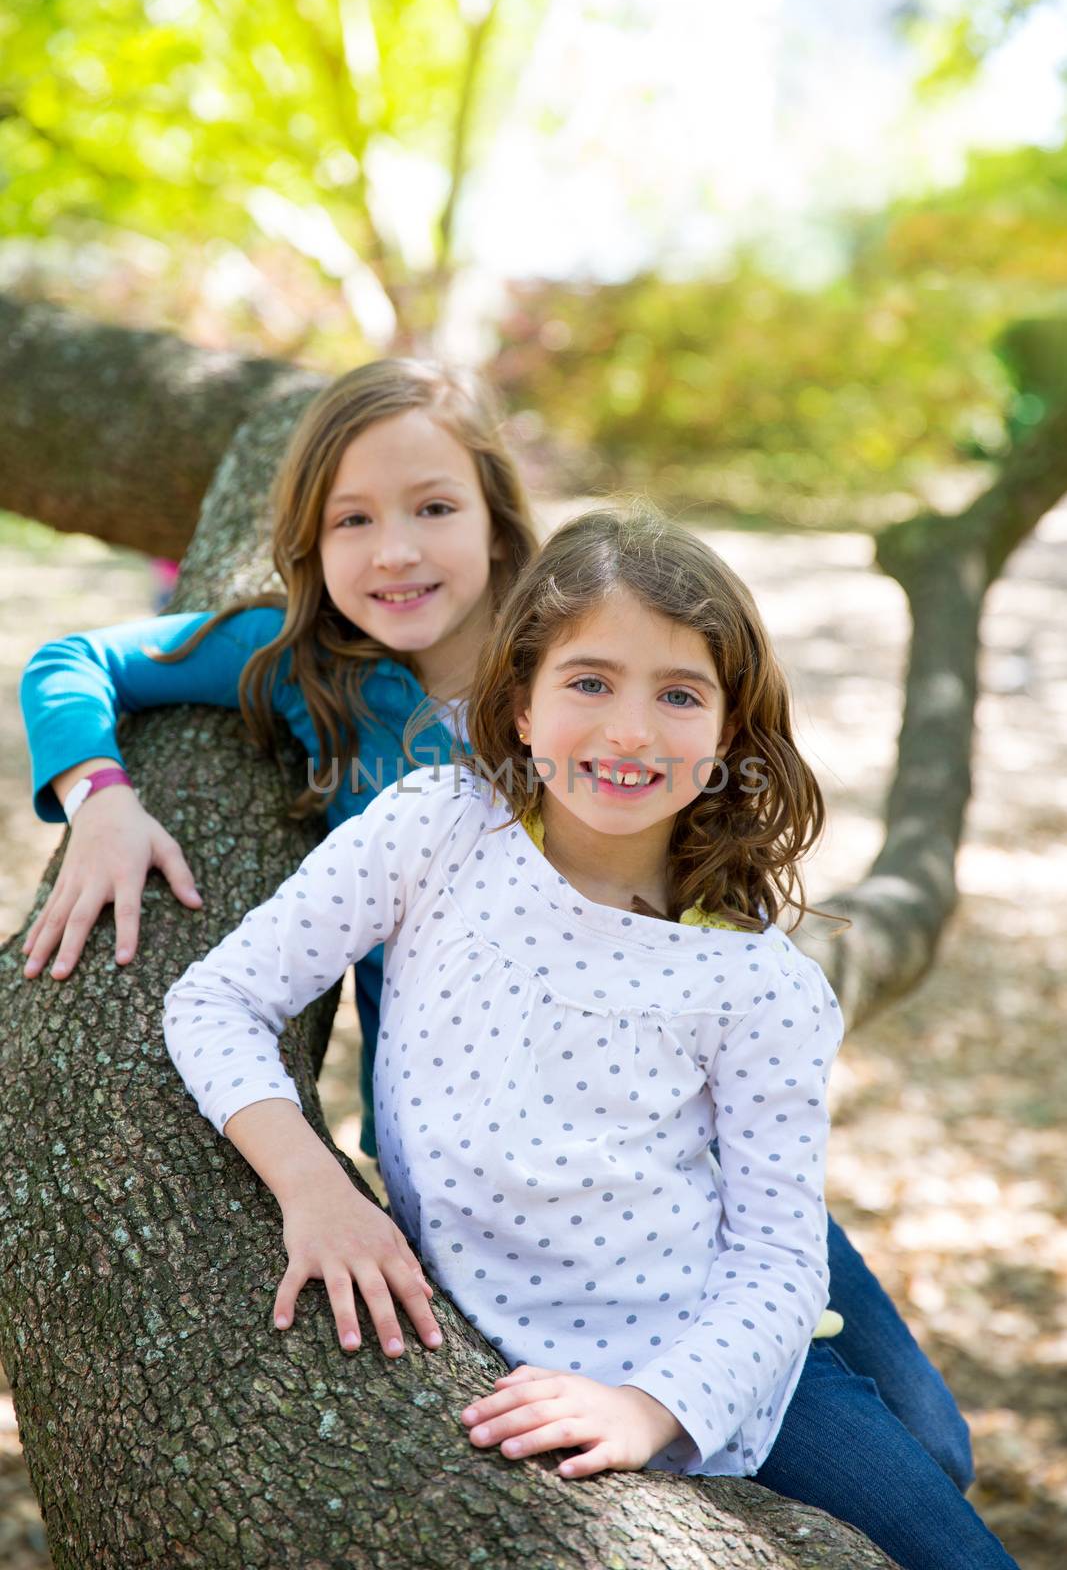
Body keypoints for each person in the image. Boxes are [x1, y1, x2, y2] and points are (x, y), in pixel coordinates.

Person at [18, 358, 974, 1500]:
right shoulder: (304, 667)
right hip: (475, 1099)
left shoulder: (591, 642)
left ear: (496, 518)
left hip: (661, 1117)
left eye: (434, 508)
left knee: (932, 1437)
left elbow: (696, 841)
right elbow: (75, 657)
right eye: (352, 520)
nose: (397, 552)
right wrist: (103, 796)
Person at [160, 506, 1018, 1569]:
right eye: (588, 682)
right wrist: (315, 1187)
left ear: (727, 734)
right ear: (517, 703)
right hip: (500, 1330)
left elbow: (776, 1261)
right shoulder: (436, 827)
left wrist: (650, 1408)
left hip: (703, 1349)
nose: (629, 731)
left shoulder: (757, 981)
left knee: (949, 1529)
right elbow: (213, 1000)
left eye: (677, 694)